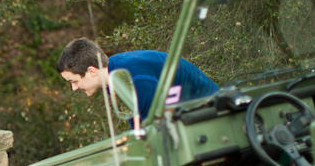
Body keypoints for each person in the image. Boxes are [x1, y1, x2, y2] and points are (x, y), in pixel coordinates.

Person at [56, 38, 219, 121]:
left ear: (92, 71)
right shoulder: (114, 71)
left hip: (210, 112)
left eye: (74, 81)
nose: (74, 88)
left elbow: (153, 133)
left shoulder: (135, 81)